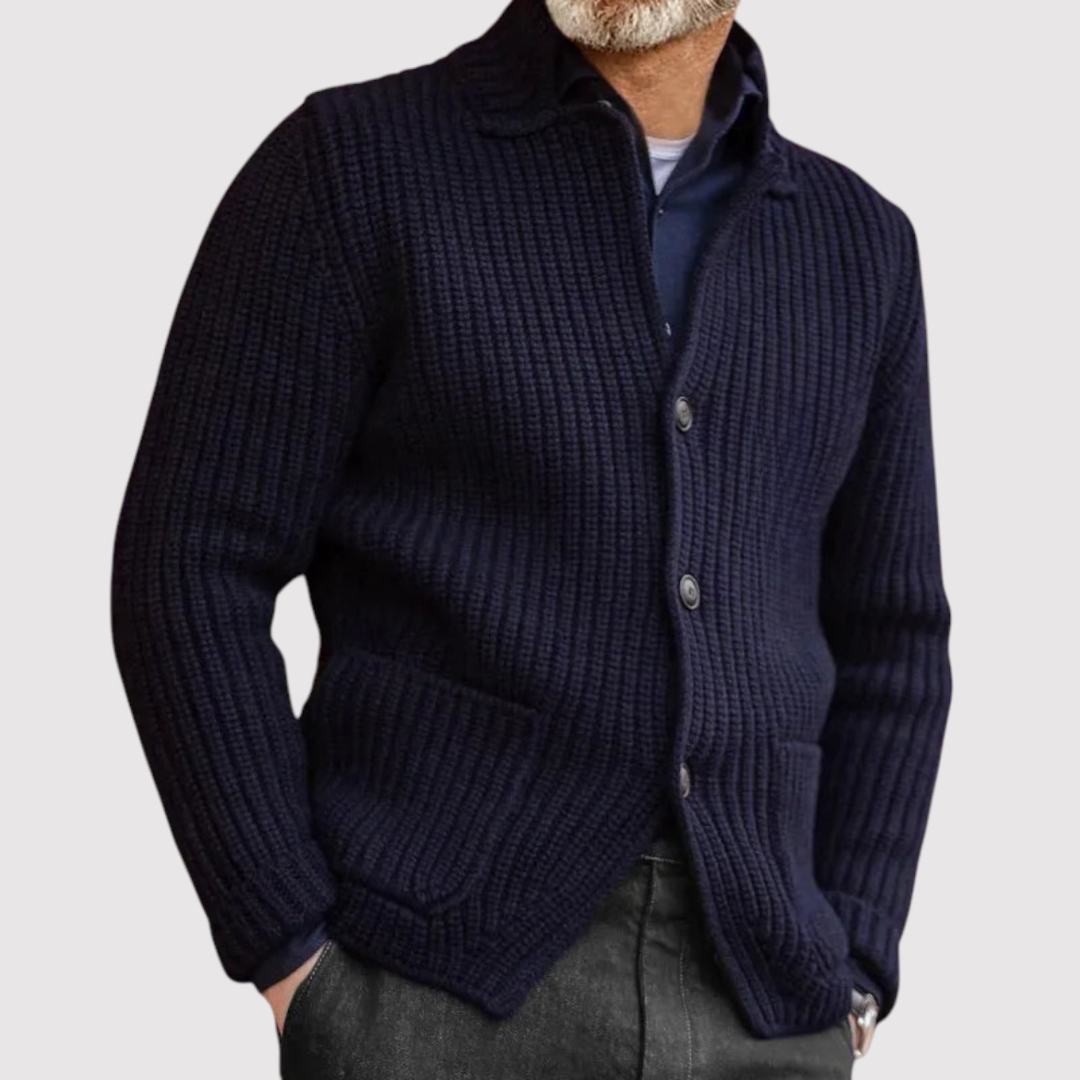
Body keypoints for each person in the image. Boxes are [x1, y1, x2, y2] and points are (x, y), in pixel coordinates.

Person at [110, 0, 953, 1075]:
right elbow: (190, 562)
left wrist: (857, 960)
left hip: (767, 996)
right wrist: (288, 948)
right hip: (430, 989)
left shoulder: (859, 244)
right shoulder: (353, 167)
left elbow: (893, 632)